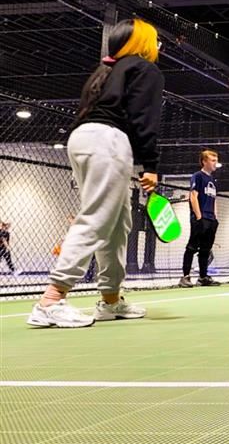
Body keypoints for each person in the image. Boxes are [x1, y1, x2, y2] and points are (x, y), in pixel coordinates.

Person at [27, 19, 162, 328]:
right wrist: (150, 166)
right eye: (154, 40)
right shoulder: (144, 69)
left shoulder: (106, 70)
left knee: (117, 223)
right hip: (107, 141)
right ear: (142, 42)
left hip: (83, 139)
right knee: (98, 218)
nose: (157, 46)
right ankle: (51, 300)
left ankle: (111, 300)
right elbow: (145, 118)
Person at [179, 150, 221, 287]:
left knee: (205, 249)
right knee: (192, 247)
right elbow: (193, 196)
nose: (215, 163)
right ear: (204, 161)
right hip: (200, 219)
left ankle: (203, 277)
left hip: (211, 220)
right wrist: (199, 217)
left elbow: (214, 200)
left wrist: (215, 218)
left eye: (216, 160)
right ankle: (185, 277)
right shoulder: (198, 176)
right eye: (212, 160)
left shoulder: (213, 181)